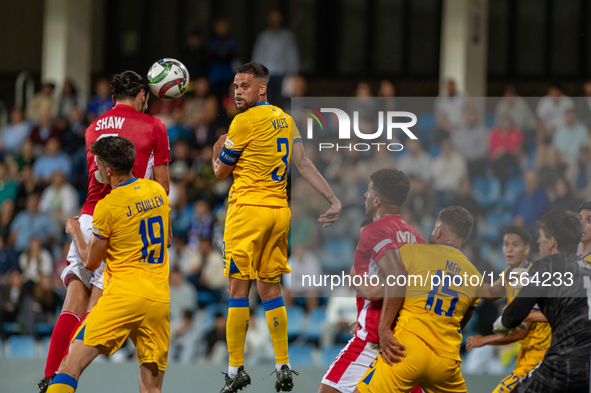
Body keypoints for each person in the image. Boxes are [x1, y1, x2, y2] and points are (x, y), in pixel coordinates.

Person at [212, 62, 342, 392]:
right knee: (271, 290)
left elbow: (220, 172)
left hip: (248, 212)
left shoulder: (241, 122)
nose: (238, 92)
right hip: (278, 212)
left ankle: (234, 369)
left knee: (237, 291)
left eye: (244, 86)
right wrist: (333, 198)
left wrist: (217, 152)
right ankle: (283, 364)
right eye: (236, 86)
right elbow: (303, 163)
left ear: (262, 89)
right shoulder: (286, 120)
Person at [38, 70, 171, 392]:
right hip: (128, 217)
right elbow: (162, 188)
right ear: (141, 95)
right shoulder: (154, 126)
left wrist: (74, 230)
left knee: (73, 300)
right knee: (99, 307)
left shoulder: (92, 128)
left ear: (112, 98)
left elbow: (98, 177)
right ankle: (69, 372)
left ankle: (51, 373)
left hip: (89, 214)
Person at [354, 206, 482, 393]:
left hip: (406, 350)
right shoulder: (476, 278)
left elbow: (374, 291)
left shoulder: (412, 252)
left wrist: (354, 277)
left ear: (439, 228)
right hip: (445, 360)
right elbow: (462, 322)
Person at [319, 169, 425, 393]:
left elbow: (394, 281)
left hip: (375, 341)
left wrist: (357, 281)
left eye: (368, 190)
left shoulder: (374, 229)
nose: (365, 196)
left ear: (377, 200)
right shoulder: (416, 236)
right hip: (404, 340)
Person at [493, 210, 590, 392]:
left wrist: (500, 324)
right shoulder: (588, 269)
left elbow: (513, 316)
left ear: (552, 242)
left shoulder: (547, 266)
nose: (538, 241)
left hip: (562, 365)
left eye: (541, 237)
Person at [466, 226, 551, 393]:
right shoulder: (509, 275)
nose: (509, 250)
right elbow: (490, 291)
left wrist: (484, 341)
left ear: (526, 249)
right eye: (506, 245)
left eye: (515, 245)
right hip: (526, 356)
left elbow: (521, 332)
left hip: (541, 358)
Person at [251, 10, 299, 106]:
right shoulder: (264, 36)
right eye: (273, 20)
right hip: (266, 75)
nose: (275, 22)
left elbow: (291, 55)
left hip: (282, 74)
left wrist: (293, 72)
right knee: (265, 100)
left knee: (282, 101)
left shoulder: (286, 36)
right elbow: (258, 55)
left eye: (277, 20)